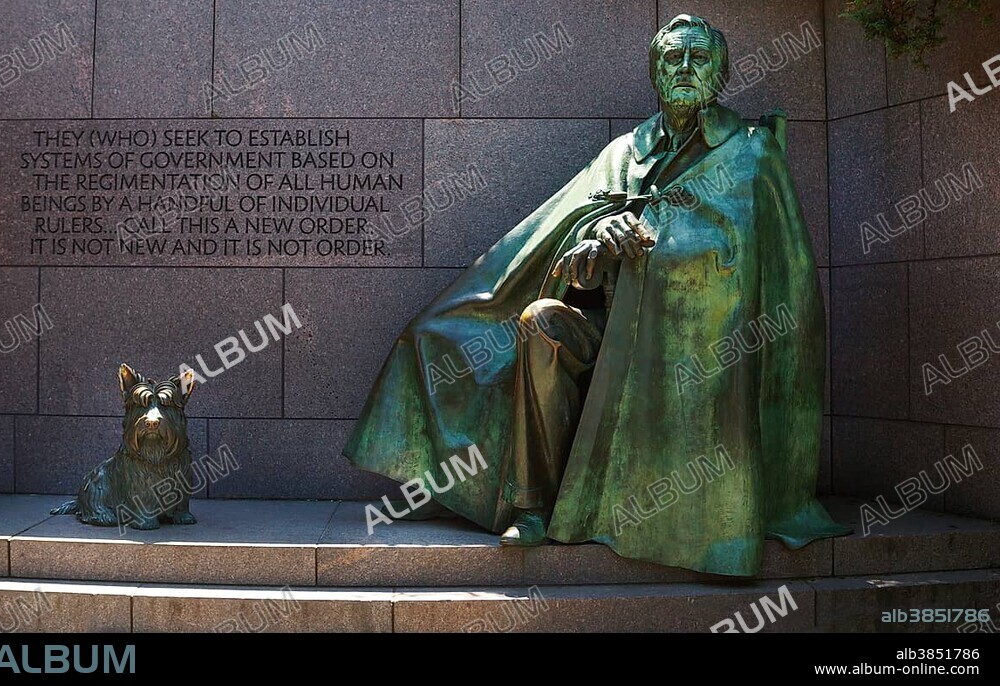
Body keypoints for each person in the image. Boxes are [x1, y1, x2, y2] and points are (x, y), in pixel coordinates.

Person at [343, 14, 849, 576]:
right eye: (672, 58)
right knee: (538, 321)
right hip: (606, 329)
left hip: (694, 345)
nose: (684, 68)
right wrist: (594, 239)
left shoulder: (752, 153)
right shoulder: (623, 153)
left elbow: (774, 273)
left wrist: (662, 245)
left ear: (721, 72)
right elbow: (561, 247)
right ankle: (531, 504)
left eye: (698, 58)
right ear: (656, 72)